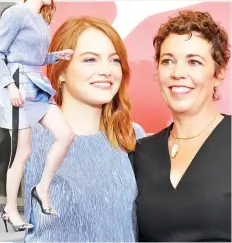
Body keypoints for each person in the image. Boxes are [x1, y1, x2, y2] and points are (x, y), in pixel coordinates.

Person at [24, 16, 145, 242]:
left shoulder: (132, 135)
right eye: (90, 59)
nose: (106, 70)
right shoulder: (31, 139)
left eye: (114, 60)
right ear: (60, 72)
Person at [132, 10, 231, 242]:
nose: (178, 73)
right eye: (168, 61)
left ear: (218, 73)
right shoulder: (139, 152)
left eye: (194, 62)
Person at [0, 0, 75, 232]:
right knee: (22, 153)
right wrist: (10, 86)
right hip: (18, 85)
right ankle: (10, 210)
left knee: (66, 135)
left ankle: (42, 187)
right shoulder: (16, 13)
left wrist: (56, 56)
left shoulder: (42, 19)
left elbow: (35, 57)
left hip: (38, 83)